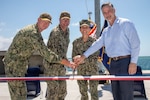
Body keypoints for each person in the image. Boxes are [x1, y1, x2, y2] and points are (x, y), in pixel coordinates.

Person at [74, 2, 140, 100]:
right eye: (104, 12)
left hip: (125, 63)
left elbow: (136, 43)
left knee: (126, 95)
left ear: (114, 10)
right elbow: (96, 45)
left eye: (109, 11)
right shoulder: (106, 31)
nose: (107, 14)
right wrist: (83, 56)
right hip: (112, 64)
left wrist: (133, 62)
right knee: (116, 94)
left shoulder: (126, 23)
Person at [3, 13, 75, 100]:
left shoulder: (37, 32)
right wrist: (66, 62)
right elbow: (46, 53)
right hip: (13, 65)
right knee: (18, 95)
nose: (46, 25)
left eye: (48, 23)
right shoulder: (33, 33)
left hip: (20, 64)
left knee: (21, 93)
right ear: (38, 20)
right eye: (44, 22)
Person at [43, 11, 71, 100]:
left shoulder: (67, 31)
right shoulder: (55, 33)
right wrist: (68, 63)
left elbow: (63, 51)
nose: (66, 22)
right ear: (59, 20)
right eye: (64, 20)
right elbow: (54, 55)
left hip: (61, 66)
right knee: (53, 93)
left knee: (62, 91)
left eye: (68, 20)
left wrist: (69, 62)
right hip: (51, 66)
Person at [72, 19, 99, 100]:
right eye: (82, 27)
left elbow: (95, 57)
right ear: (80, 29)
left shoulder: (95, 42)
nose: (84, 29)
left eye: (86, 27)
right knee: (83, 94)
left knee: (94, 94)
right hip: (81, 71)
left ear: (90, 29)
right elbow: (73, 56)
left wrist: (82, 59)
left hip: (93, 71)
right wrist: (76, 59)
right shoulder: (75, 42)